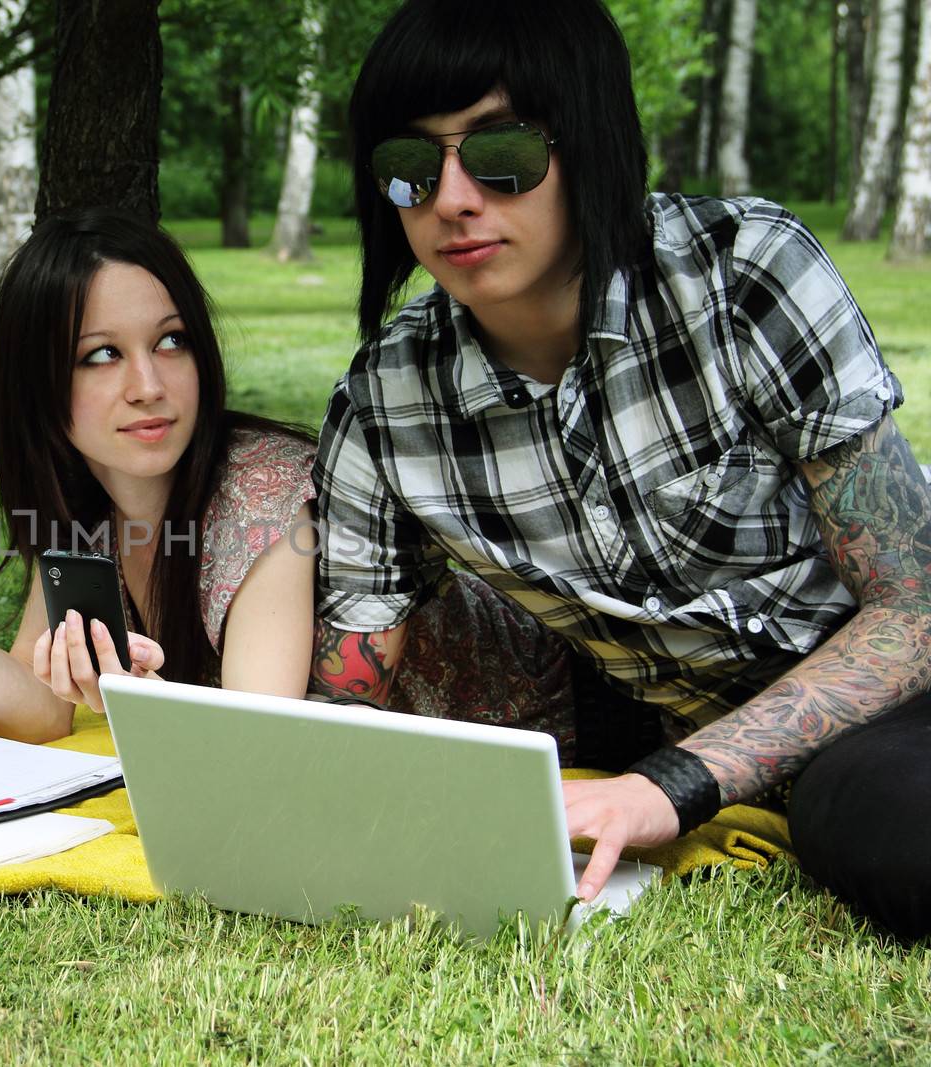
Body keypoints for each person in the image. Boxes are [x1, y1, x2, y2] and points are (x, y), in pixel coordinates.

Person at [312, 0, 931, 940]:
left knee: (879, 816)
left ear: (591, 142)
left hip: (893, 702)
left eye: (500, 154)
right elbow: (348, 687)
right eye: (408, 166)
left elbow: (915, 606)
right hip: (685, 740)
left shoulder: (740, 279)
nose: (451, 200)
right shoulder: (387, 405)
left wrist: (672, 785)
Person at [0, 208, 319, 744]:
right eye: (103, 354)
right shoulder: (90, 507)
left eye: (170, 341)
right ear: (37, 383)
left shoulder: (262, 495)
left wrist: (143, 698)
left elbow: (258, 749)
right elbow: (40, 714)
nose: (148, 385)